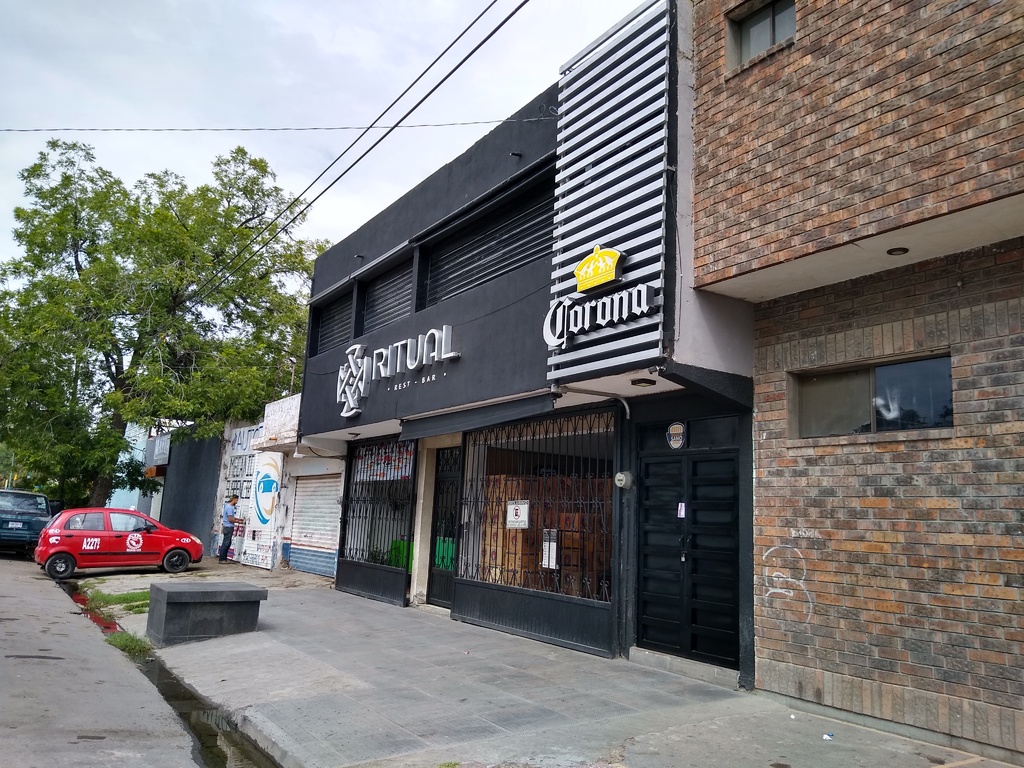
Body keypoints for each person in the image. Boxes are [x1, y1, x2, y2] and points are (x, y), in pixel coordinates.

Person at [217, 494, 243, 563]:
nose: (237, 501)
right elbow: (230, 519)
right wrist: (238, 522)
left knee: (227, 543)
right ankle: (222, 559)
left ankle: (224, 558)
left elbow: (231, 517)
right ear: (234, 499)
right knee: (226, 543)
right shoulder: (229, 508)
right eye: (237, 500)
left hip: (227, 527)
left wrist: (238, 519)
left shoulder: (228, 506)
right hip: (228, 527)